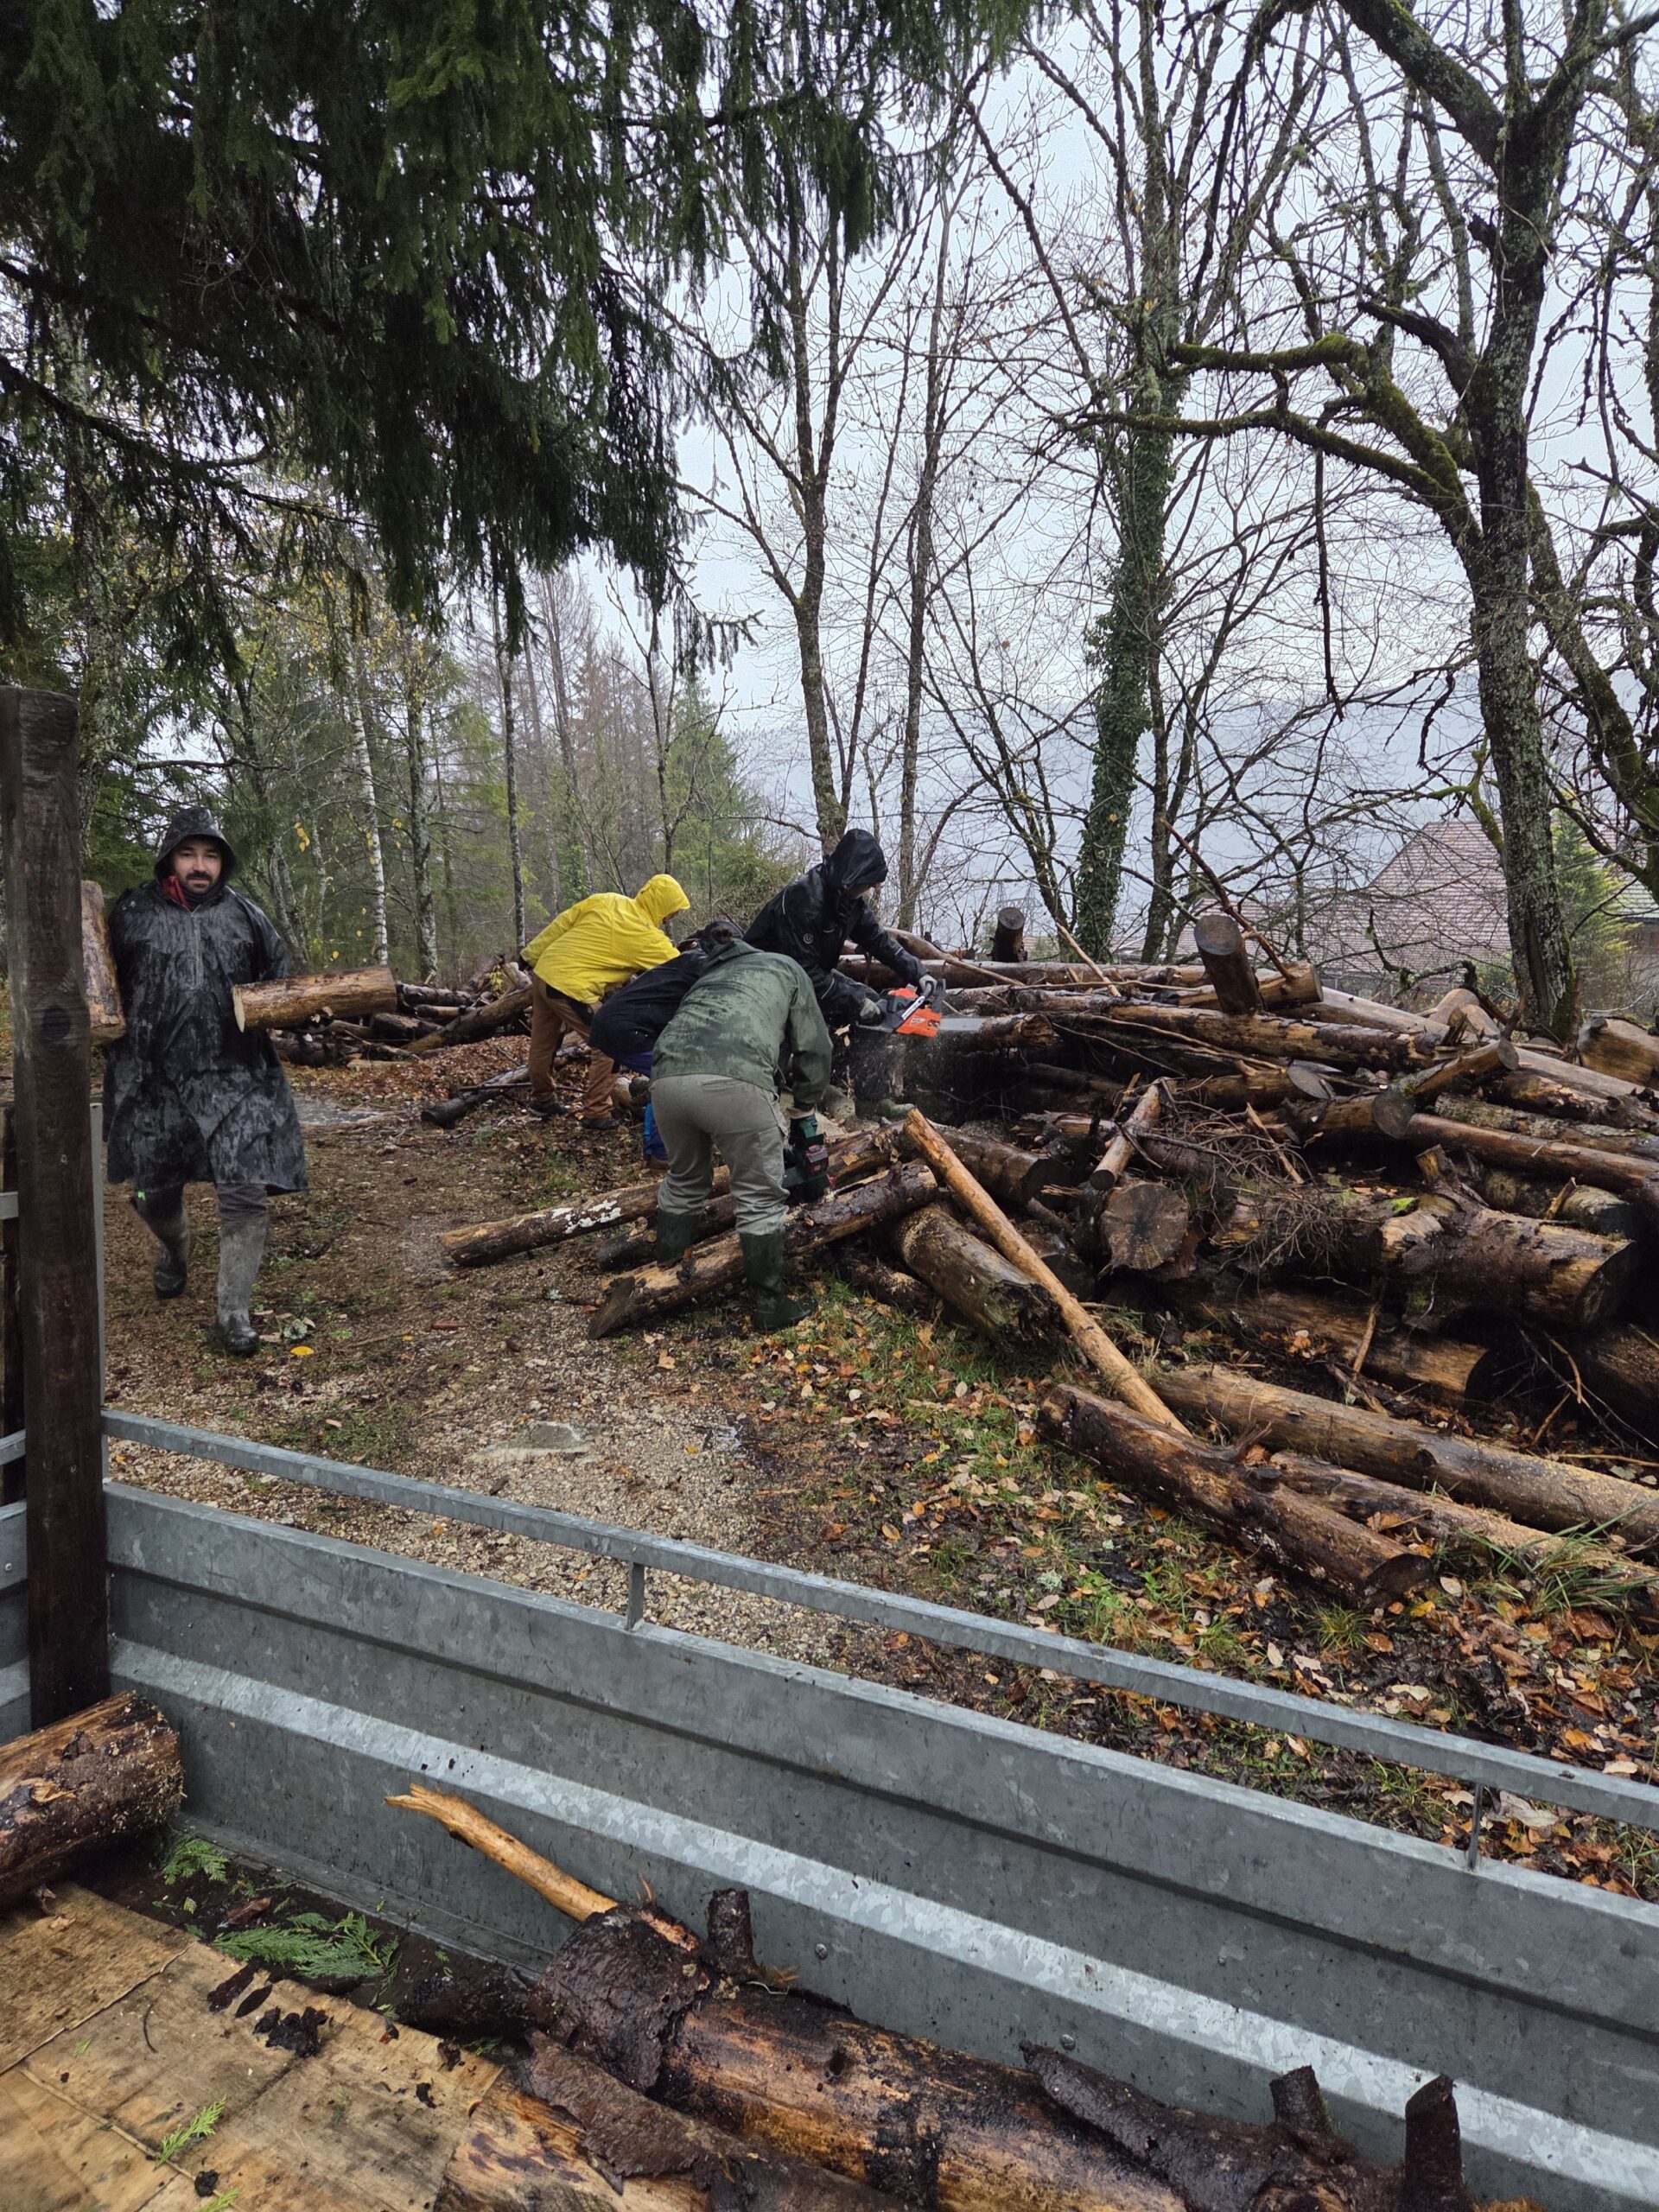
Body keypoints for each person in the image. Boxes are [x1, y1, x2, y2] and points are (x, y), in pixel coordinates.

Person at [105, 805, 307, 1356]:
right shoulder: (129, 913)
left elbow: (281, 980)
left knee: (244, 1192)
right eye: (190, 854)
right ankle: (175, 1249)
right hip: (152, 1080)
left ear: (223, 862)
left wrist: (301, 1010)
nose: (200, 866)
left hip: (236, 1075)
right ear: (170, 857)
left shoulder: (246, 916)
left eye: (211, 855)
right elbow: (98, 982)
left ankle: (233, 1314)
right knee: (152, 1193)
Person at [649, 922, 833, 1329]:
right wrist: (803, 1107)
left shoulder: (708, 978)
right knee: (760, 1196)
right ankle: (769, 1306)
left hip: (664, 1083)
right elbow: (815, 1047)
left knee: (684, 1180)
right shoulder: (785, 967)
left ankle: (663, 1281)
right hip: (733, 1081)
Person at [521, 874, 690, 1128]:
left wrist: (532, 953)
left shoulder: (608, 900)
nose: (672, 917)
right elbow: (682, 968)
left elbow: (563, 922)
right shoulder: (647, 938)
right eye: (673, 911)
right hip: (570, 987)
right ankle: (596, 1112)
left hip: (544, 971)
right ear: (664, 907)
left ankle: (542, 1100)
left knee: (543, 1043)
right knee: (608, 1043)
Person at [745, 827, 930, 1029]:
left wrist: (919, 973)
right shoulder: (806, 900)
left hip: (805, 976)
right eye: (868, 882)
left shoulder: (849, 900)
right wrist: (853, 1001)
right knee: (852, 1006)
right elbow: (801, 972)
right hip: (764, 979)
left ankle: (856, 1055)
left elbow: (878, 940)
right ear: (854, 874)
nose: (872, 887)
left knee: (872, 1002)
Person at [587, 918, 733, 1164]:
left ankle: (666, 1145)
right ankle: (658, 1152)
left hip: (619, 1024)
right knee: (669, 1077)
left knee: (669, 1074)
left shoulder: (692, 961)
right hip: (623, 1029)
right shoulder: (701, 965)